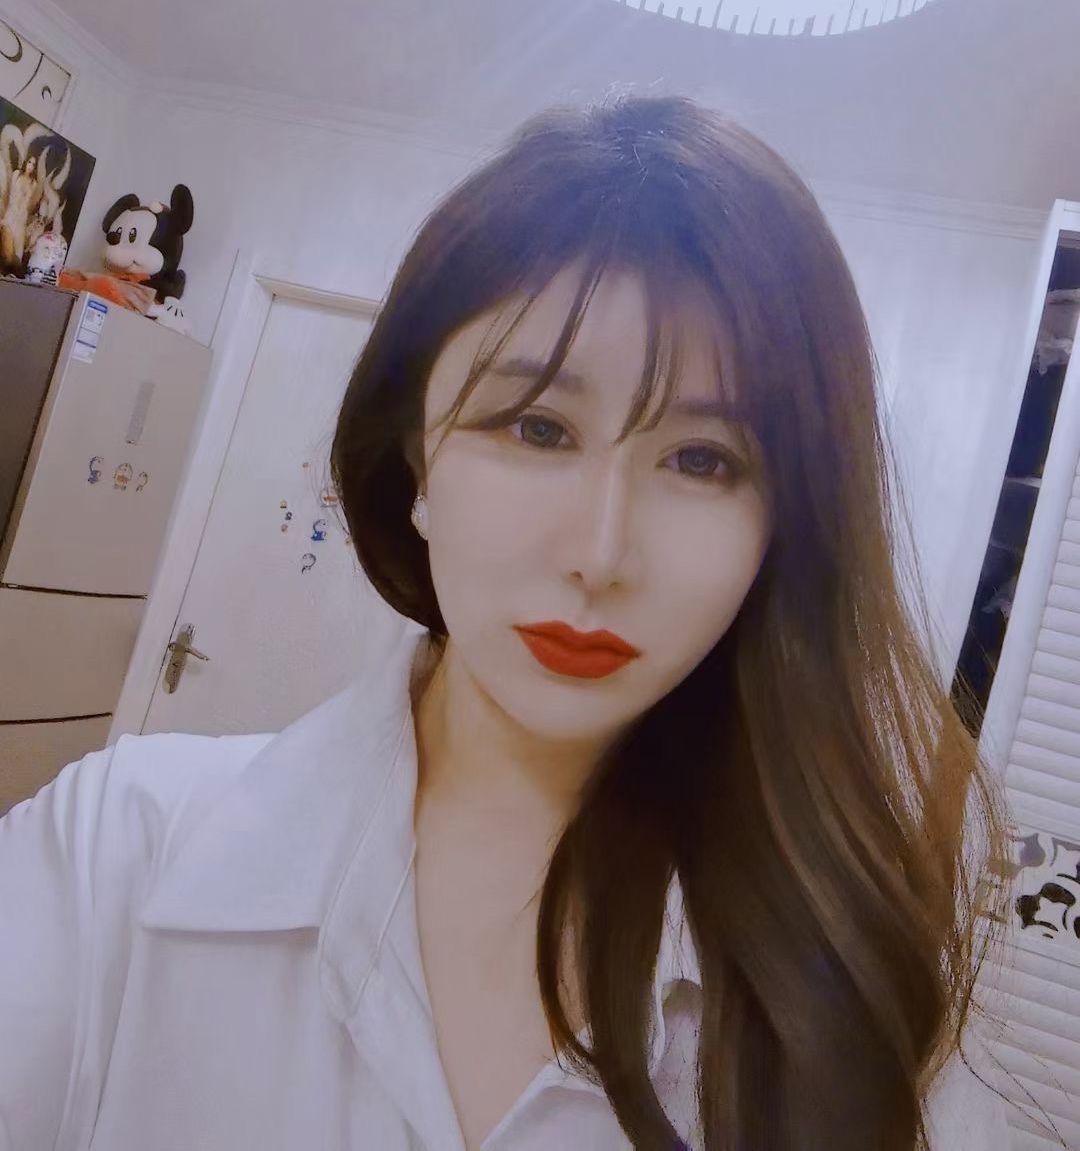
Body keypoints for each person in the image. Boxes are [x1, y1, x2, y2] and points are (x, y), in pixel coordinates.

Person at [0, 96, 1010, 1150]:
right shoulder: (114, 852)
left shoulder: (856, 996)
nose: (600, 555)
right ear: (416, 458)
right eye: (537, 428)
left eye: (701, 460)